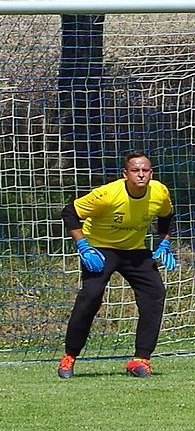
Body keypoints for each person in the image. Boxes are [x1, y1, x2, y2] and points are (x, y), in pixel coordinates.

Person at [57, 151, 177, 379]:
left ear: (151, 173)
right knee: (91, 296)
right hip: (100, 248)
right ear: (125, 174)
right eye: (135, 170)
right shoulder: (107, 194)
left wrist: (164, 243)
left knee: (155, 293)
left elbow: (167, 215)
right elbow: (69, 212)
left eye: (145, 170)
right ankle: (69, 356)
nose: (141, 174)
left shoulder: (159, 192)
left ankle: (141, 360)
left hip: (135, 250)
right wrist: (83, 246)